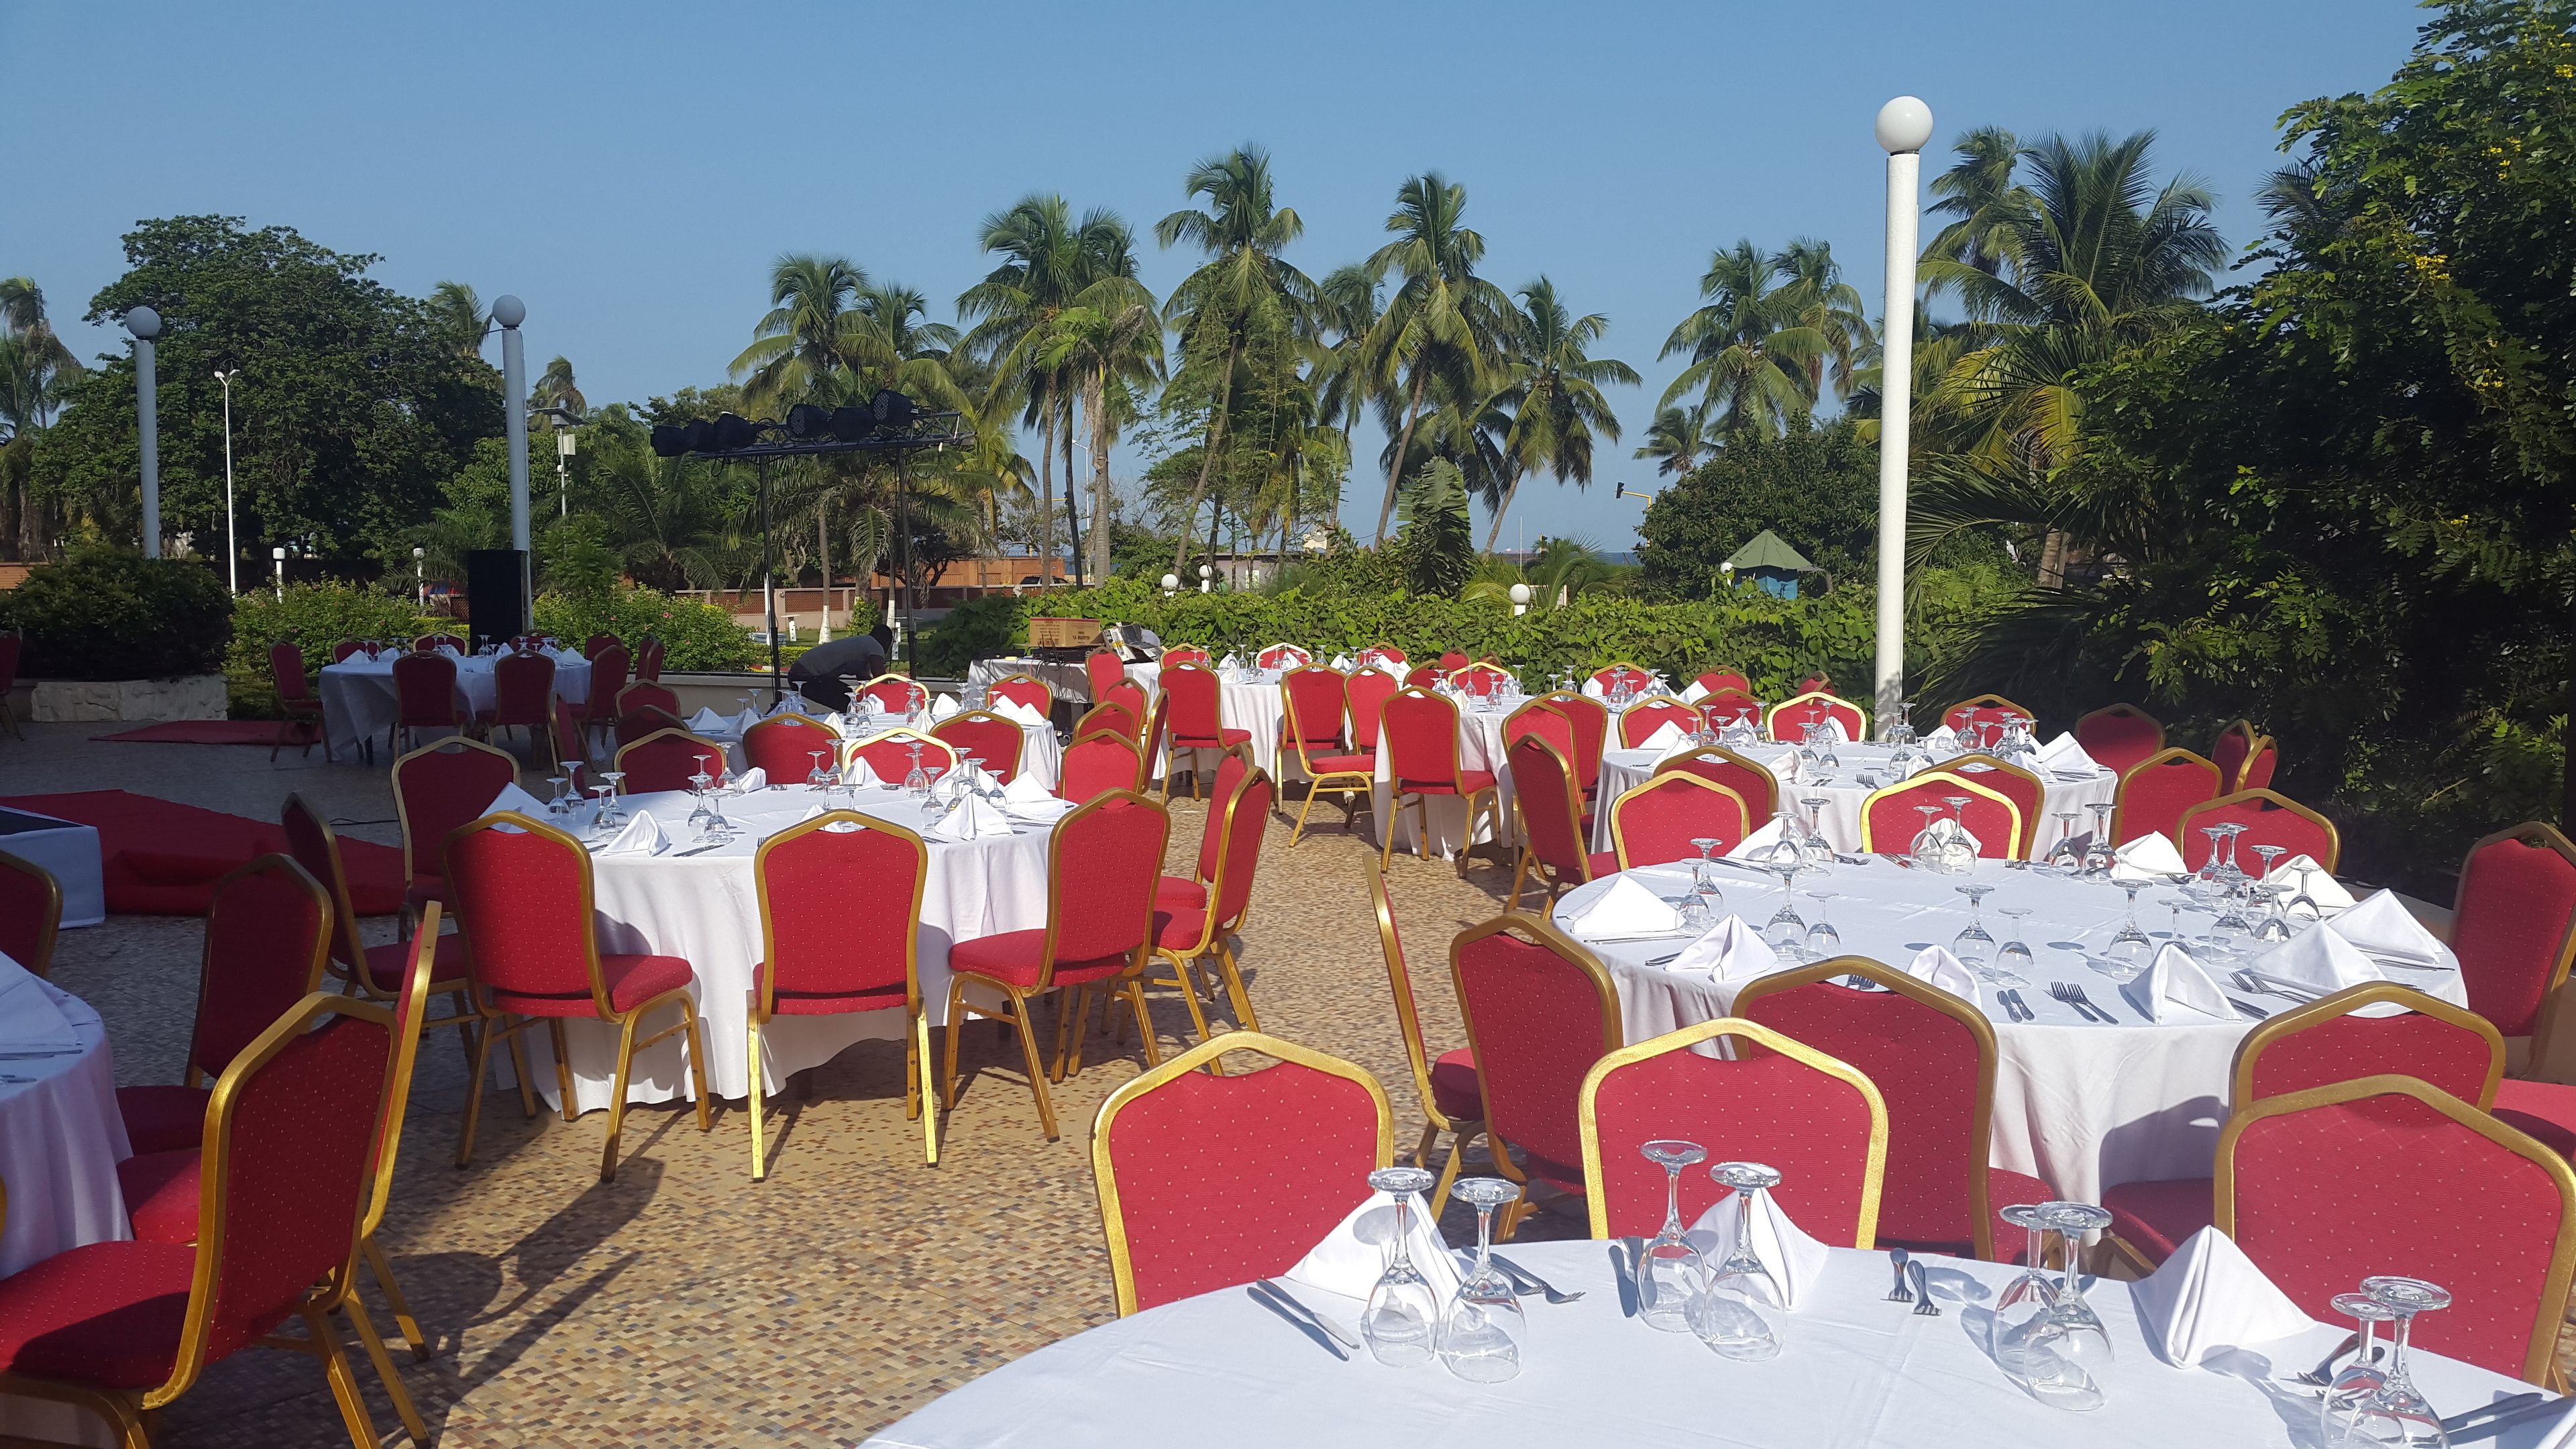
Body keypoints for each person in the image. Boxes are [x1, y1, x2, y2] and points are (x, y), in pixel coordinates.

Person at [785, 625, 892, 710]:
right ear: (887, 642)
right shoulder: (875, 645)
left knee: (853, 701)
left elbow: (864, 679)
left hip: (798, 675)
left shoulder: (864, 644)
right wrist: (890, 697)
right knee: (850, 703)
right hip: (807, 677)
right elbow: (880, 679)